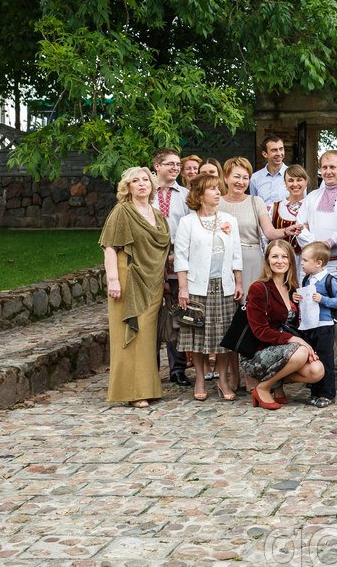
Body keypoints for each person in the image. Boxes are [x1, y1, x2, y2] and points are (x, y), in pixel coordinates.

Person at [101, 166, 169, 407]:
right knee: (129, 335)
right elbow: (110, 247)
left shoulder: (156, 214)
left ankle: (148, 387)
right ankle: (131, 391)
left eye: (145, 180)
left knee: (148, 337)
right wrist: (113, 280)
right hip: (127, 277)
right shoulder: (122, 212)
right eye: (135, 181)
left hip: (152, 282)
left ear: (152, 186)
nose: (142, 184)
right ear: (127, 187)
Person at [174, 173, 243, 402]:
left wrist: (239, 282)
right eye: (212, 189)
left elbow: (236, 254)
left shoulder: (228, 220)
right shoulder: (188, 222)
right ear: (200, 194)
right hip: (197, 288)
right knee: (198, 336)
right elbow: (181, 257)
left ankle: (223, 381)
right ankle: (200, 379)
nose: (217, 193)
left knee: (223, 337)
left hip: (224, 286)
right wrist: (183, 288)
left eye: (218, 188)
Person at [297, 152, 337, 390]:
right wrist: (315, 246)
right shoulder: (311, 197)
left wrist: (331, 241)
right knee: (317, 316)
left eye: (333, 166)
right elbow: (300, 227)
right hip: (315, 265)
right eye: (324, 167)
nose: (328, 171)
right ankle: (320, 369)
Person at [242, 239, 325, 409]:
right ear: (267, 260)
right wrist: (297, 341)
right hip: (258, 351)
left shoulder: (292, 288)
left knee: (317, 370)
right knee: (301, 352)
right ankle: (263, 388)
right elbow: (260, 332)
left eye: (284, 257)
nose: (280, 261)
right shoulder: (259, 288)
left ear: (290, 261)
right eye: (274, 257)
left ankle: (276, 383)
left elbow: (294, 324)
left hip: (285, 349)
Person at [221, 156, 297, 287]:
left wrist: (286, 231)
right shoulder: (216, 203)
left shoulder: (256, 202)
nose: (241, 181)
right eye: (237, 177)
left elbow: (269, 232)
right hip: (222, 262)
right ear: (226, 177)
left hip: (251, 262)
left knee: (250, 303)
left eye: (245, 178)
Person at [151, 148, 189, 387]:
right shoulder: (146, 192)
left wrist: (179, 256)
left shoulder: (185, 195)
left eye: (177, 164)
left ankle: (177, 369)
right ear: (157, 166)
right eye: (169, 164)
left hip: (177, 259)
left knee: (178, 315)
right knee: (151, 317)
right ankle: (150, 369)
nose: (175, 168)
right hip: (151, 260)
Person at [294, 242, 337, 407]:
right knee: (312, 359)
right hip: (309, 325)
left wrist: (322, 299)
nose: (301, 263)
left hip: (324, 325)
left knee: (325, 360)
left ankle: (327, 394)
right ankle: (315, 392)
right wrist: (297, 300)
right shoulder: (306, 280)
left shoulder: (329, 281)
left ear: (318, 263)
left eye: (305, 260)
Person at [269, 164, 310, 256]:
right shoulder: (275, 207)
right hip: (281, 260)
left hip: (307, 261)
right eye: (291, 180)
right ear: (285, 183)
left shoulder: (312, 206)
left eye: (299, 180)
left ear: (306, 182)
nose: (295, 184)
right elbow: (265, 237)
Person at [249, 135, 288, 205]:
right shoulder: (254, 178)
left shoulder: (294, 175)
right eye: (274, 150)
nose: (279, 154)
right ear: (264, 154)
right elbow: (254, 206)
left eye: (281, 149)